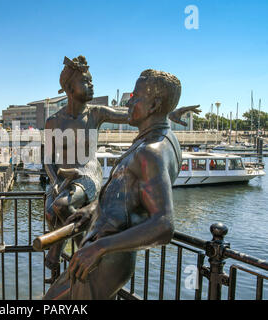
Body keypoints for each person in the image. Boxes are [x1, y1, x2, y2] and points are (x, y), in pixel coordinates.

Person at [43, 56, 198, 274]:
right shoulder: (54, 121)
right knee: (52, 212)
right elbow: (47, 157)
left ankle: (64, 252)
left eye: (91, 81)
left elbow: (136, 114)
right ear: (69, 87)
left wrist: (169, 113)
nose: (92, 85)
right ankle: (83, 255)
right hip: (64, 179)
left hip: (88, 174)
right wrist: (57, 180)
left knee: (60, 206)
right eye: (86, 81)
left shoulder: (96, 113)